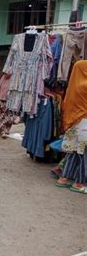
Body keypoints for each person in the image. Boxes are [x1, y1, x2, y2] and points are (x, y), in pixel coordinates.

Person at [55, 60, 87, 194]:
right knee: (84, 154)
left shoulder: (74, 85)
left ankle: (64, 178)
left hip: (73, 121)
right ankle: (79, 183)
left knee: (72, 151)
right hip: (84, 122)